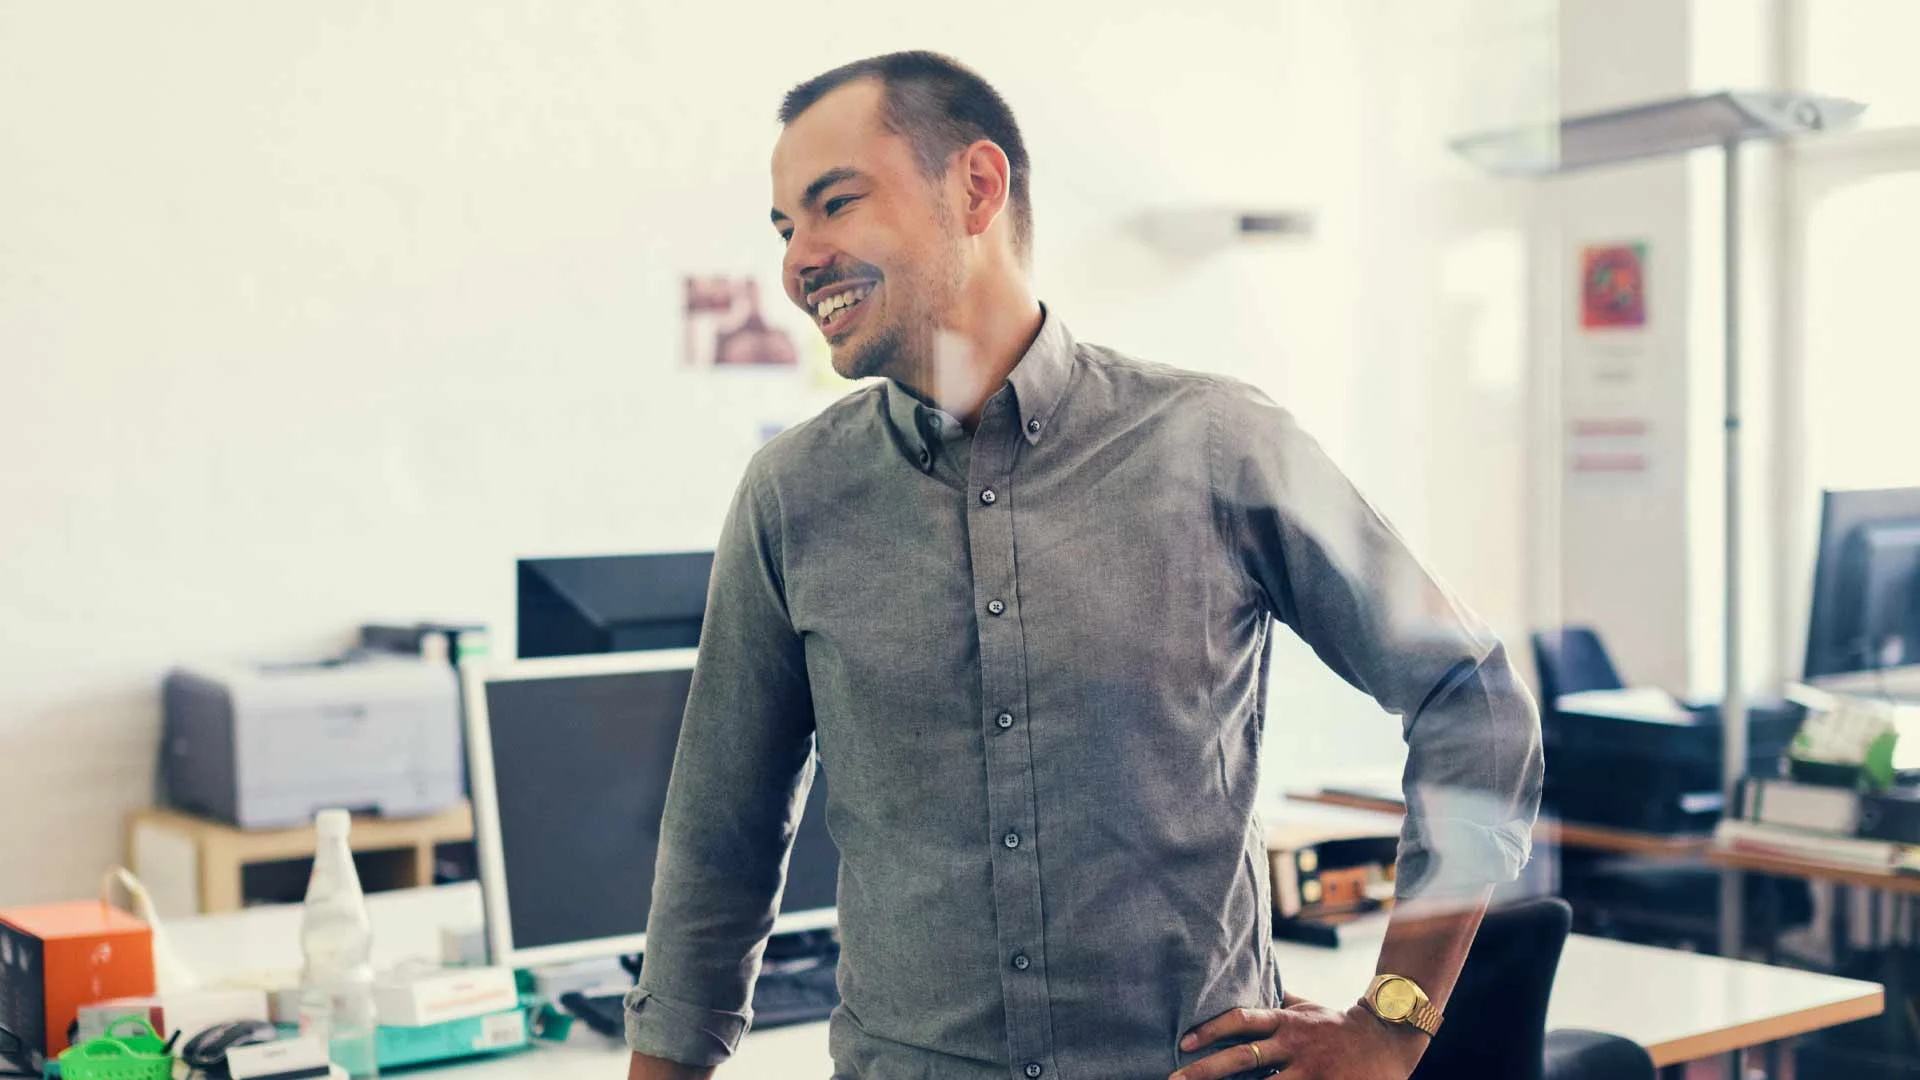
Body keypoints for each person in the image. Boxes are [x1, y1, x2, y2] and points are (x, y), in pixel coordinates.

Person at [625, 51, 1542, 1080]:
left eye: (835, 204)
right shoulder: (791, 494)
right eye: (788, 229)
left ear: (975, 187)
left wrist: (1395, 1019)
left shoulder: (1222, 442)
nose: (800, 261)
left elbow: (1474, 701)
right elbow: (719, 843)